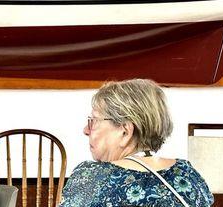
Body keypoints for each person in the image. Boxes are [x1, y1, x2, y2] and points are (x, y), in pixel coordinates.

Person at [59, 79, 213, 207]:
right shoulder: (187, 173)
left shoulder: (91, 176)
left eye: (94, 121)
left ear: (125, 131)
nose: (86, 130)